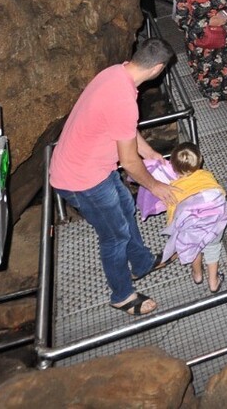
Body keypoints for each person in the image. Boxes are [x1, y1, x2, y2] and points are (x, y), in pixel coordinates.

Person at [49, 39, 178, 317]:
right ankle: (122, 295)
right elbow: (130, 162)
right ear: (158, 68)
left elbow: (126, 130)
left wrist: (151, 153)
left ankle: (142, 262)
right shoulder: (123, 98)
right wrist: (155, 186)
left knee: (126, 208)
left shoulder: (115, 74)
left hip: (95, 167)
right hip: (82, 179)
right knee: (115, 235)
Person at [163, 142, 227, 293]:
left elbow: (173, 215)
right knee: (212, 248)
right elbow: (221, 193)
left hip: (191, 229)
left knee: (194, 248)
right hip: (214, 223)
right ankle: (213, 281)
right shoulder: (207, 175)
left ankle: (197, 275)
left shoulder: (173, 188)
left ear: (173, 167)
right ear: (200, 160)